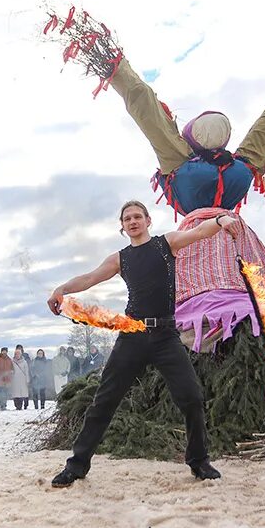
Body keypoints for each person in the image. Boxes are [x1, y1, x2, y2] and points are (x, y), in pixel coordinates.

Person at [47, 200, 231, 487]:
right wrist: (62, 289)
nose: (132, 221)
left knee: (192, 397)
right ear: (122, 226)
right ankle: (77, 466)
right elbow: (90, 277)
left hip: (166, 336)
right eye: (127, 218)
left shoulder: (165, 244)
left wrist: (220, 221)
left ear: (148, 220)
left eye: (137, 216)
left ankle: (199, 461)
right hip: (132, 335)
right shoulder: (120, 258)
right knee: (103, 402)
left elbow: (199, 232)